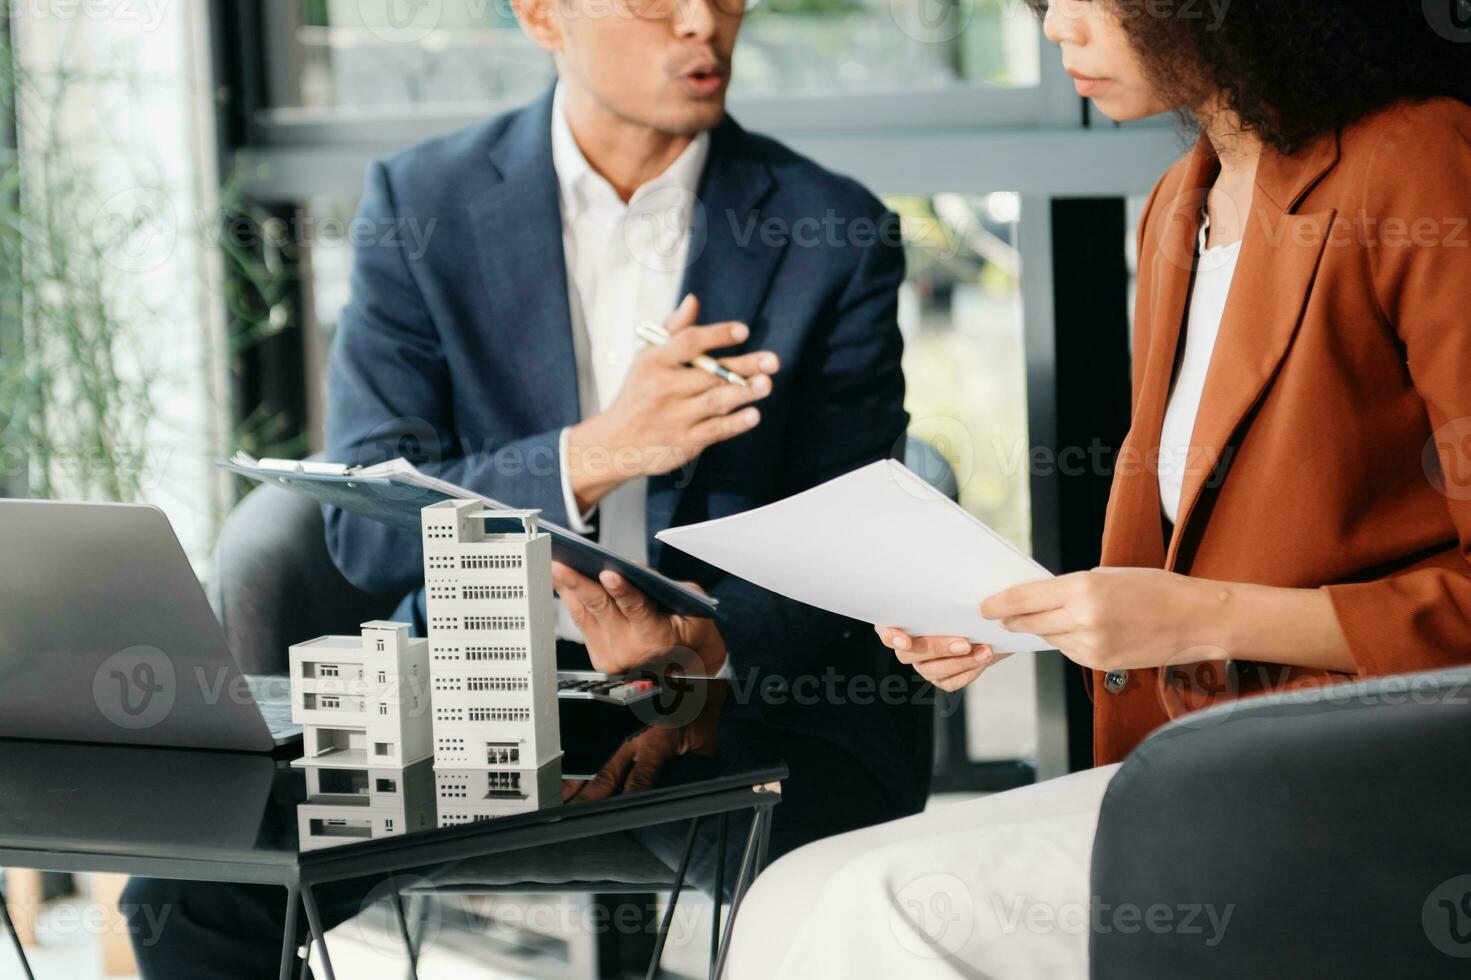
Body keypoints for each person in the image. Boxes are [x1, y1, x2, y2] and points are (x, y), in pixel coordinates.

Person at [121, 0, 932, 975]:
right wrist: (592, 454)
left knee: (856, 904)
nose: (700, 23)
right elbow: (364, 533)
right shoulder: (424, 200)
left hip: (746, 703)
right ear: (544, 15)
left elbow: (848, 528)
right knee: (190, 891)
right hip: (476, 693)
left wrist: (704, 654)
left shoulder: (830, 227)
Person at [728, 1, 1471, 975]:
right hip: (1207, 760)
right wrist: (1014, 614)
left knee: (878, 906)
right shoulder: (1181, 200)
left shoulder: (1423, 161)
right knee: (791, 891)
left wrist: (1199, 617)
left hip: (1377, 771)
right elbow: (1199, 555)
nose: (1056, 30)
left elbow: (1220, 601)